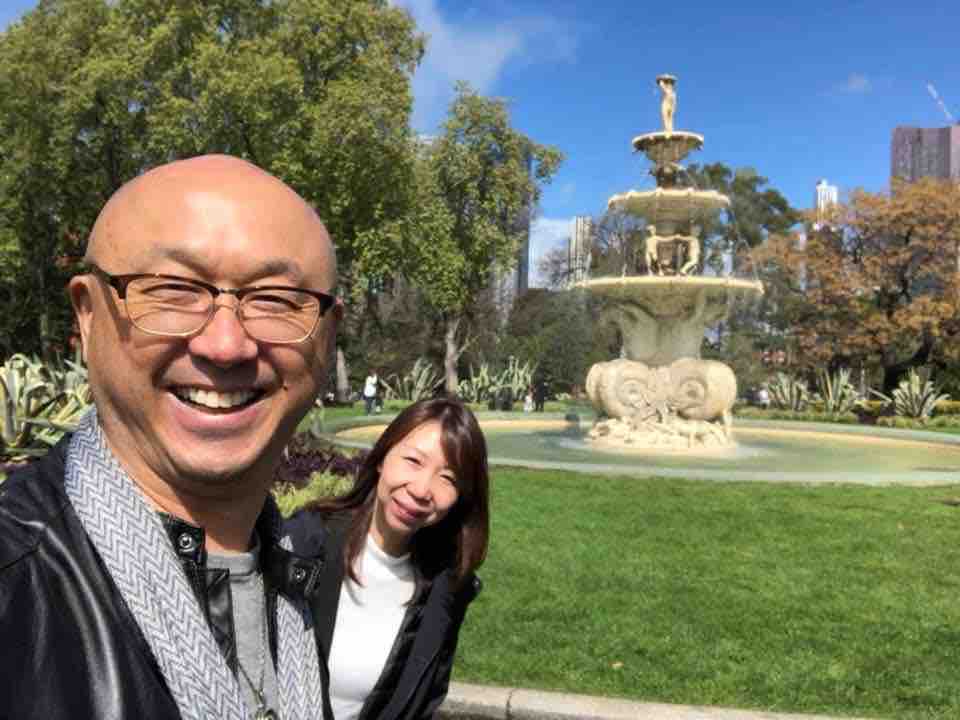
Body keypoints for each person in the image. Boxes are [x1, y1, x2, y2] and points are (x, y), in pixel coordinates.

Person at [0, 155, 341, 719]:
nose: (226, 345)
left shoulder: (292, 583)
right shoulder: (15, 589)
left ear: (329, 336)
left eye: (276, 299)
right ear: (87, 315)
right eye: (173, 290)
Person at [286, 398, 489, 720]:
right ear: (382, 457)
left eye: (448, 478)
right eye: (413, 461)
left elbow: (424, 702)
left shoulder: (446, 590)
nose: (422, 490)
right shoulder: (302, 545)